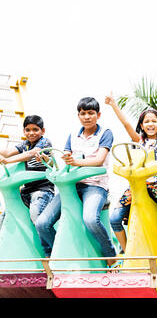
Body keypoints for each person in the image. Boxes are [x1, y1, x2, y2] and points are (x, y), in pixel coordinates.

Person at [105, 88, 157, 266]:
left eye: (153, 121)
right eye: (146, 122)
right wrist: (113, 104)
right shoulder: (138, 142)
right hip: (139, 184)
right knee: (115, 218)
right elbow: (126, 123)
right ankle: (127, 252)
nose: (150, 124)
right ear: (141, 125)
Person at [35, 97, 117, 266]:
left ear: (98, 115)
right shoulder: (72, 135)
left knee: (90, 219)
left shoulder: (105, 133)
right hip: (72, 186)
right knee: (42, 223)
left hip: (95, 185)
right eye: (83, 113)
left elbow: (100, 159)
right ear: (78, 116)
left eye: (90, 113)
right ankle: (57, 254)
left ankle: (110, 255)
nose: (86, 117)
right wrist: (47, 161)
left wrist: (77, 161)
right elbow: (64, 161)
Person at [0, 115, 54, 253]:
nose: (31, 133)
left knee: (36, 214)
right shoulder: (24, 144)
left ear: (43, 130)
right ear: (24, 131)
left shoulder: (44, 142)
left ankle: (50, 251)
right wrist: (6, 157)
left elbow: (31, 154)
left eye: (35, 129)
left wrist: (8, 161)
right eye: (27, 130)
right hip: (26, 190)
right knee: (7, 214)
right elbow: (6, 153)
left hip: (42, 189)